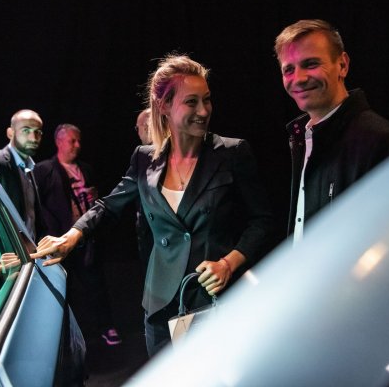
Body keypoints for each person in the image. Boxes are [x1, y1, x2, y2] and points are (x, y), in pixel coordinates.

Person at [31, 54, 274, 357]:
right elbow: (108, 206)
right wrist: (71, 236)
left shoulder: (232, 153)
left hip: (213, 299)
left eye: (207, 100)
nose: (203, 111)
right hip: (160, 302)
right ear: (164, 106)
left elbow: (263, 221)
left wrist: (228, 263)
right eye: (191, 102)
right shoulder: (144, 158)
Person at [274, 19, 389, 242]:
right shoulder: (302, 137)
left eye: (311, 64)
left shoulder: (383, 141)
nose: (299, 78)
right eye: (289, 69)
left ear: (343, 65)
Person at [33, 124, 121, 346]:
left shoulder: (85, 169)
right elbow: (36, 205)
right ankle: (63, 335)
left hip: (84, 238)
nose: (77, 145)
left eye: (79, 141)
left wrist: (93, 197)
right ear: (59, 142)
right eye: (72, 141)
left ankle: (105, 327)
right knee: (62, 288)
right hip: (58, 238)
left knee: (95, 284)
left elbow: (98, 201)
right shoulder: (44, 170)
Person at [0, 109, 45, 242]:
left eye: (38, 132)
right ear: (10, 133)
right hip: (7, 251)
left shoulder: (30, 168)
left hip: (30, 250)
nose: (33, 138)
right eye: (26, 130)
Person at [134, 108, 153, 270]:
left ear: (146, 127)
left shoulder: (144, 156)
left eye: (137, 128)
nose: (138, 133)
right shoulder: (141, 157)